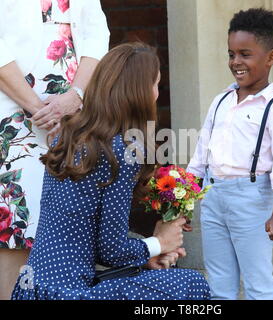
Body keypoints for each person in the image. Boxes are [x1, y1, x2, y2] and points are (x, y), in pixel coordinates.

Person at [11, 42, 211, 300]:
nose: (156, 94)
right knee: (191, 283)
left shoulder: (68, 136)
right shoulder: (122, 149)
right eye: (155, 86)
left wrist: (147, 254)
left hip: (31, 290)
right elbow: (112, 250)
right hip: (68, 293)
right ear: (139, 93)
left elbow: (84, 240)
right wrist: (161, 242)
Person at [187, 8, 273, 300]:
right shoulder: (221, 101)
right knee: (219, 285)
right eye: (231, 54)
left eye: (245, 54)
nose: (236, 62)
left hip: (252, 200)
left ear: (271, 57)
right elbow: (201, 155)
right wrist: (187, 201)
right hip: (212, 197)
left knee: (257, 284)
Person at [0, 0, 110, 299]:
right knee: (17, 228)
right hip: (13, 118)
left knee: (66, 230)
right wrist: (40, 109)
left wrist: (75, 96)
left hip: (74, 119)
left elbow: (97, 34)